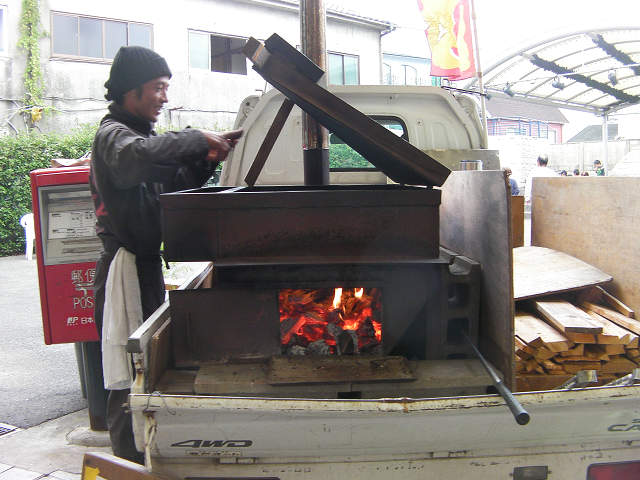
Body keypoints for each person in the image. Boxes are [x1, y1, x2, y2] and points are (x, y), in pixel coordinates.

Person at [89, 45, 242, 463]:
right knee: (127, 376)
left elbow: (173, 184)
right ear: (131, 91)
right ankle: (125, 465)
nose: (164, 97)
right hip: (123, 270)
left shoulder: (141, 139)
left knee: (145, 369)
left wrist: (205, 159)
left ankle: (146, 457)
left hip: (143, 269)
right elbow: (136, 158)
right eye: (158, 88)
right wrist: (195, 137)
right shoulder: (113, 137)